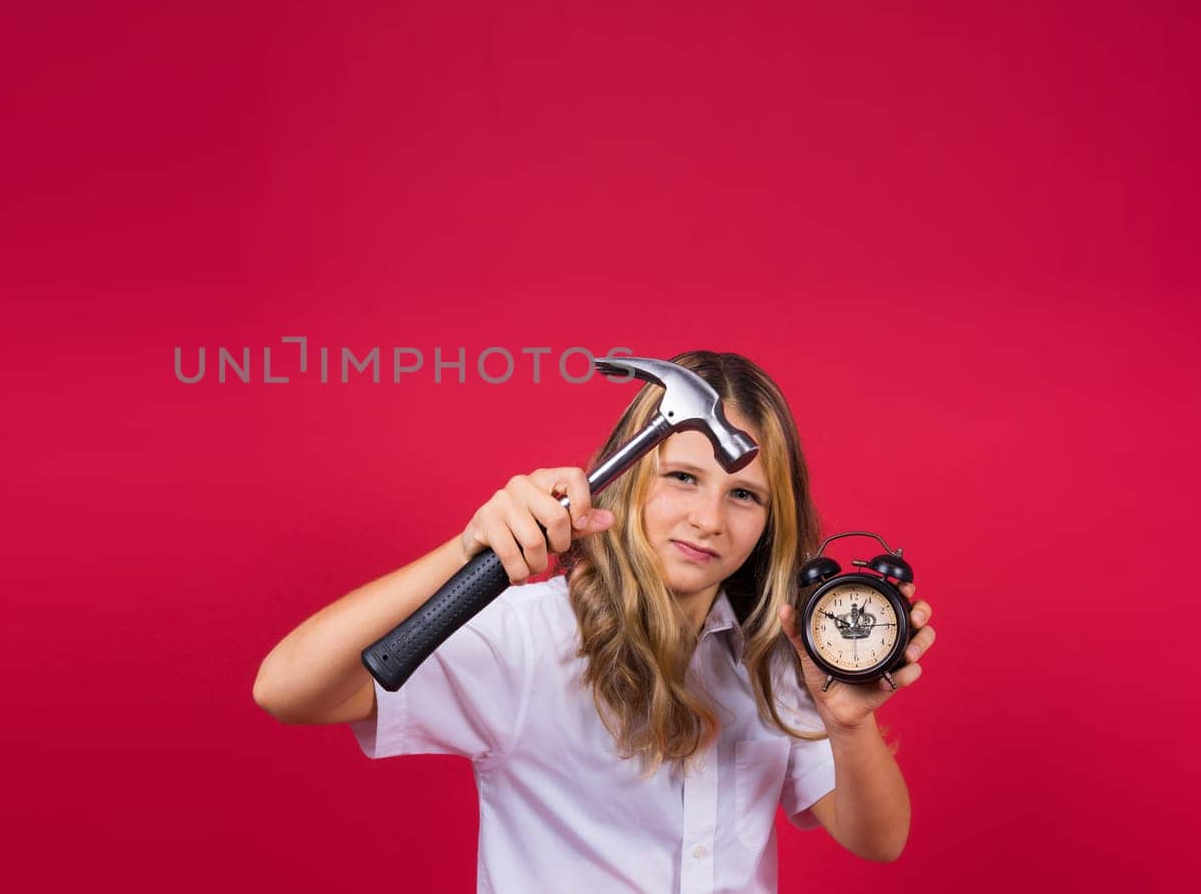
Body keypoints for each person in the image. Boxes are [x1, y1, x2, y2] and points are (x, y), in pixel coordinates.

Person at [253, 351, 935, 892]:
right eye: (683, 478)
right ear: (631, 476)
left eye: (744, 494)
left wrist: (849, 721)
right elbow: (285, 689)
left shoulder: (778, 653)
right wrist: (465, 552)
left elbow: (880, 839)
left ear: (770, 522)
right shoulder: (526, 638)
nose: (708, 519)